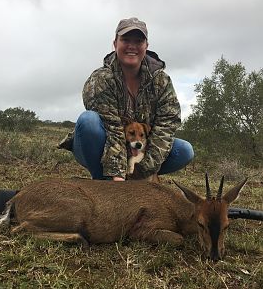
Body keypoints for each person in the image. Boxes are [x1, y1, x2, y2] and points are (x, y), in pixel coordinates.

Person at [58, 17, 194, 181]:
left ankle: (133, 180)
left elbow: (166, 126)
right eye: (125, 40)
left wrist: (142, 169)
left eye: (138, 41)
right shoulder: (101, 79)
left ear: (146, 46)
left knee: (185, 150)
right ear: (115, 43)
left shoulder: (161, 81)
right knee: (88, 121)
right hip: (99, 145)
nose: (132, 46)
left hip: (139, 151)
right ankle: (103, 183)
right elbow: (113, 130)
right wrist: (118, 175)